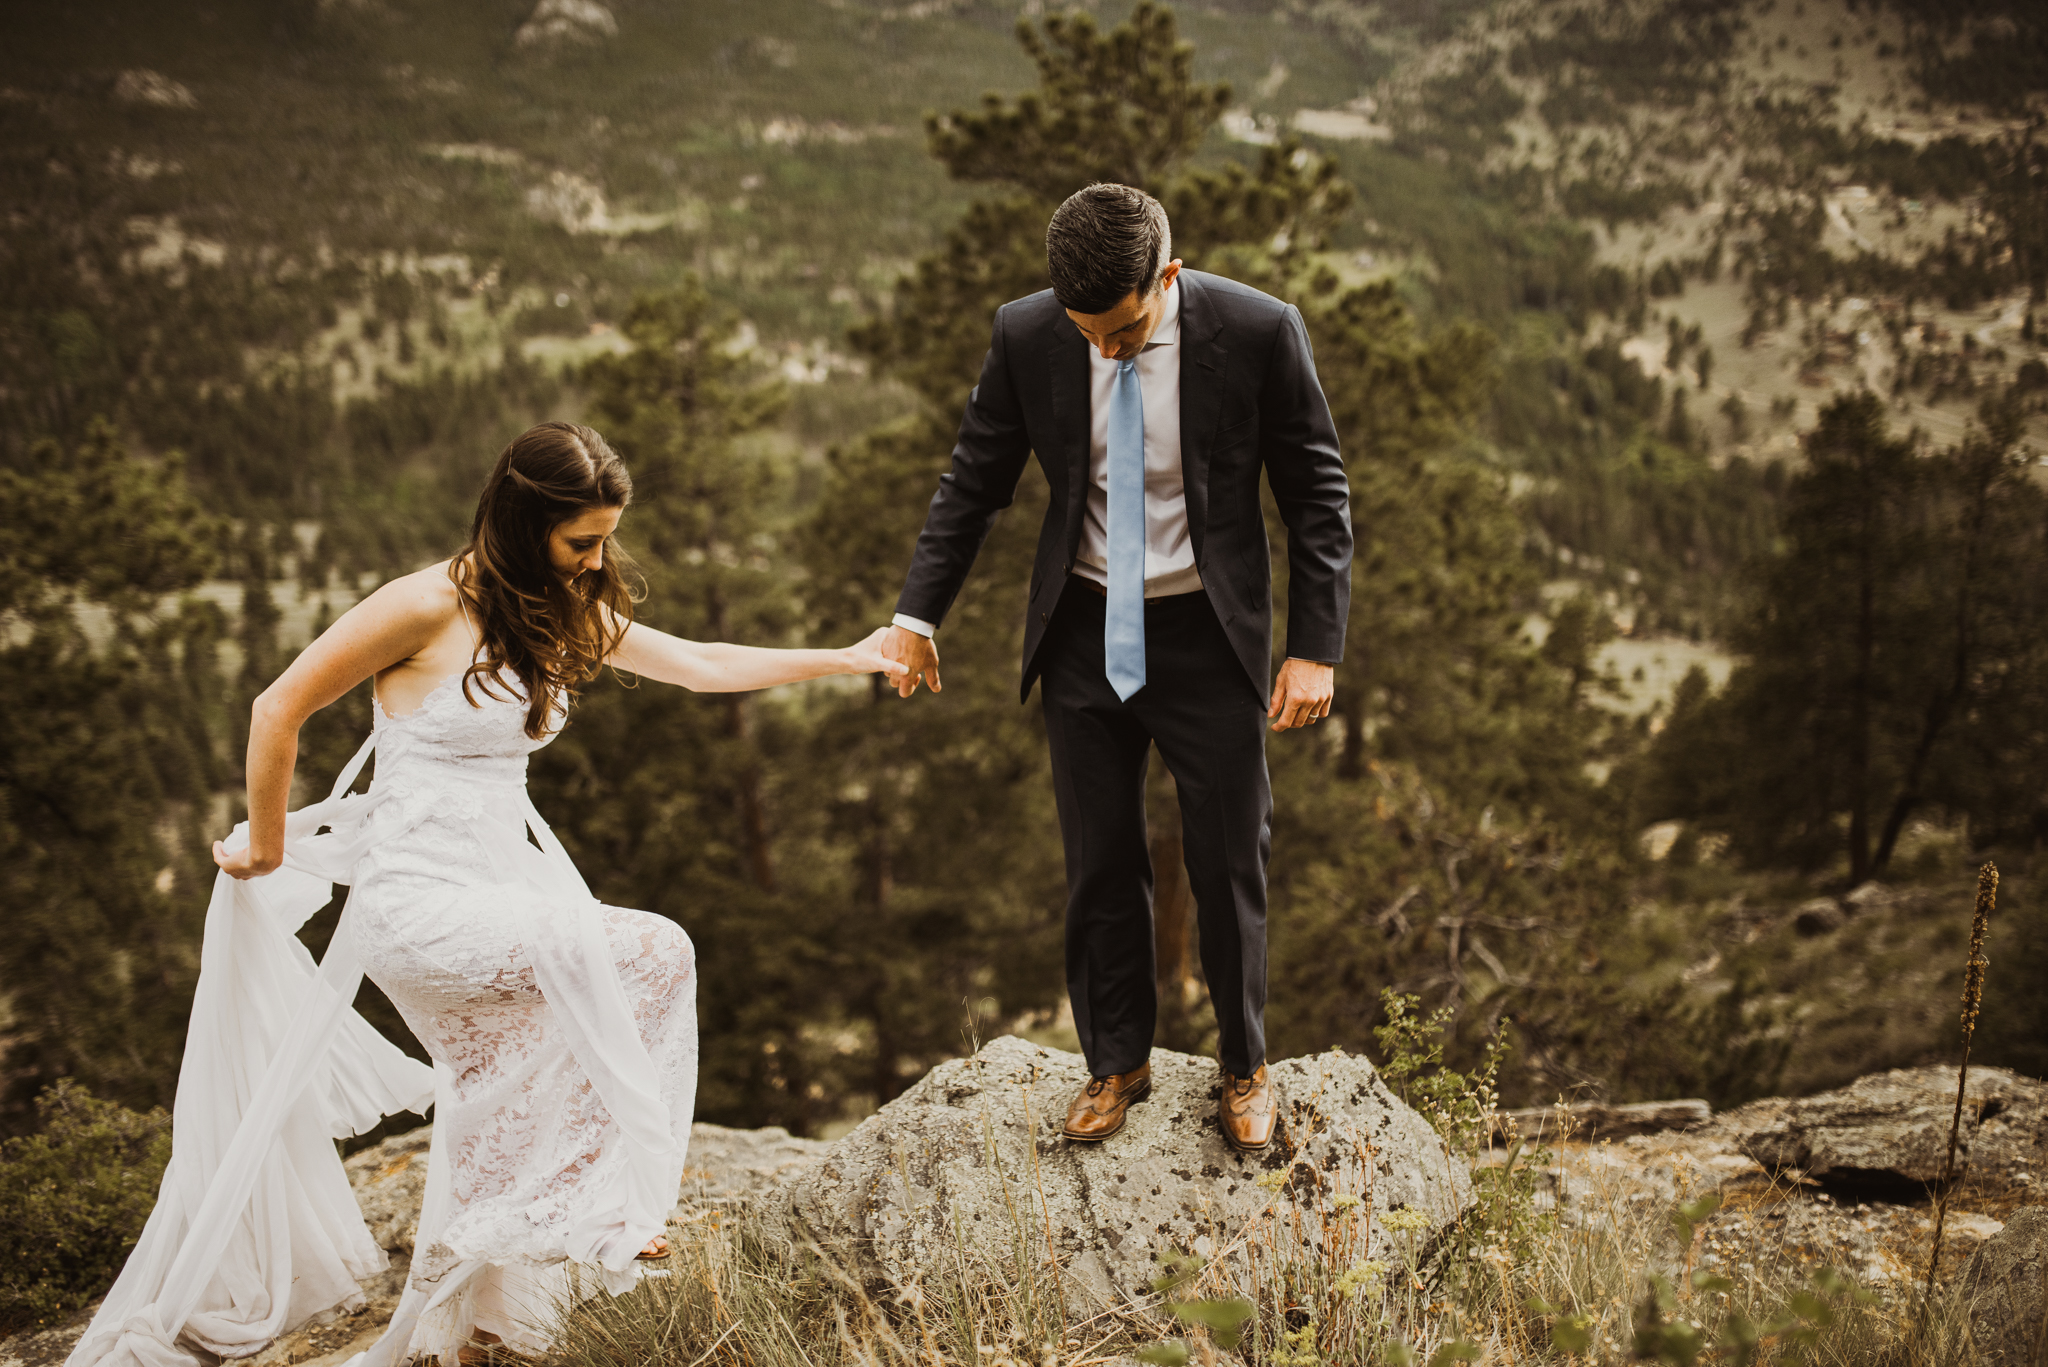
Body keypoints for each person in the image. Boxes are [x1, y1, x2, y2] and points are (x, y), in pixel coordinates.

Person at [68, 422, 904, 1367]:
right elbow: (277, 707)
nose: (597, 561)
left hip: (501, 890)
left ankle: (481, 1317)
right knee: (651, 952)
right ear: (519, 520)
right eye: (580, 540)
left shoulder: (552, 607)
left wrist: (850, 656)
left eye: (604, 541)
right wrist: (266, 844)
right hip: (418, 905)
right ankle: (599, 1215)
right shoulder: (422, 604)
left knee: (507, 1085)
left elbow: (702, 664)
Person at [880, 183, 1353, 1152]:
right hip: (1085, 631)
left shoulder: (1259, 331)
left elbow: (1316, 491)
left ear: (1166, 278)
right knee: (1098, 858)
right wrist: (915, 612)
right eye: (1085, 331)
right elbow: (972, 478)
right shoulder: (1027, 335)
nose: (1104, 349)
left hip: (1207, 636)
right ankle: (1115, 1060)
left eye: (1125, 329)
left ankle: (1243, 1063)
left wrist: (1315, 646)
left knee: (1227, 860)